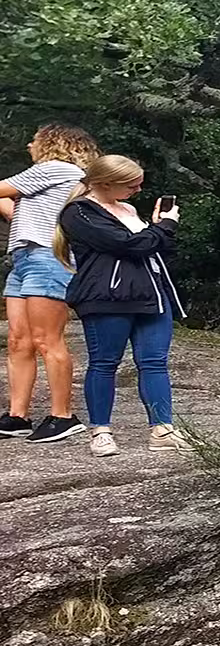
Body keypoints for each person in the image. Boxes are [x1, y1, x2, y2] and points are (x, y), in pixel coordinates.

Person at [53, 155, 188, 458]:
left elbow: (156, 246)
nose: (138, 190)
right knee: (104, 363)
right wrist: (164, 226)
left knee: (154, 362)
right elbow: (129, 245)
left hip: (150, 293)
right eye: (131, 185)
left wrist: (158, 228)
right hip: (107, 297)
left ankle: (162, 429)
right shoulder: (79, 213)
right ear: (104, 183)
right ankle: (101, 431)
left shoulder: (128, 209)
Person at [0, 122, 97, 443]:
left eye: (34, 139)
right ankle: (18, 416)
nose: (29, 144)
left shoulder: (55, 168)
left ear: (53, 144)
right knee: (19, 340)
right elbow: (17, 212)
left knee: (46, 339)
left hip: (48, 259)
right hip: (26, 258)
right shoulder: (53, 179)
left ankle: (63, 415)